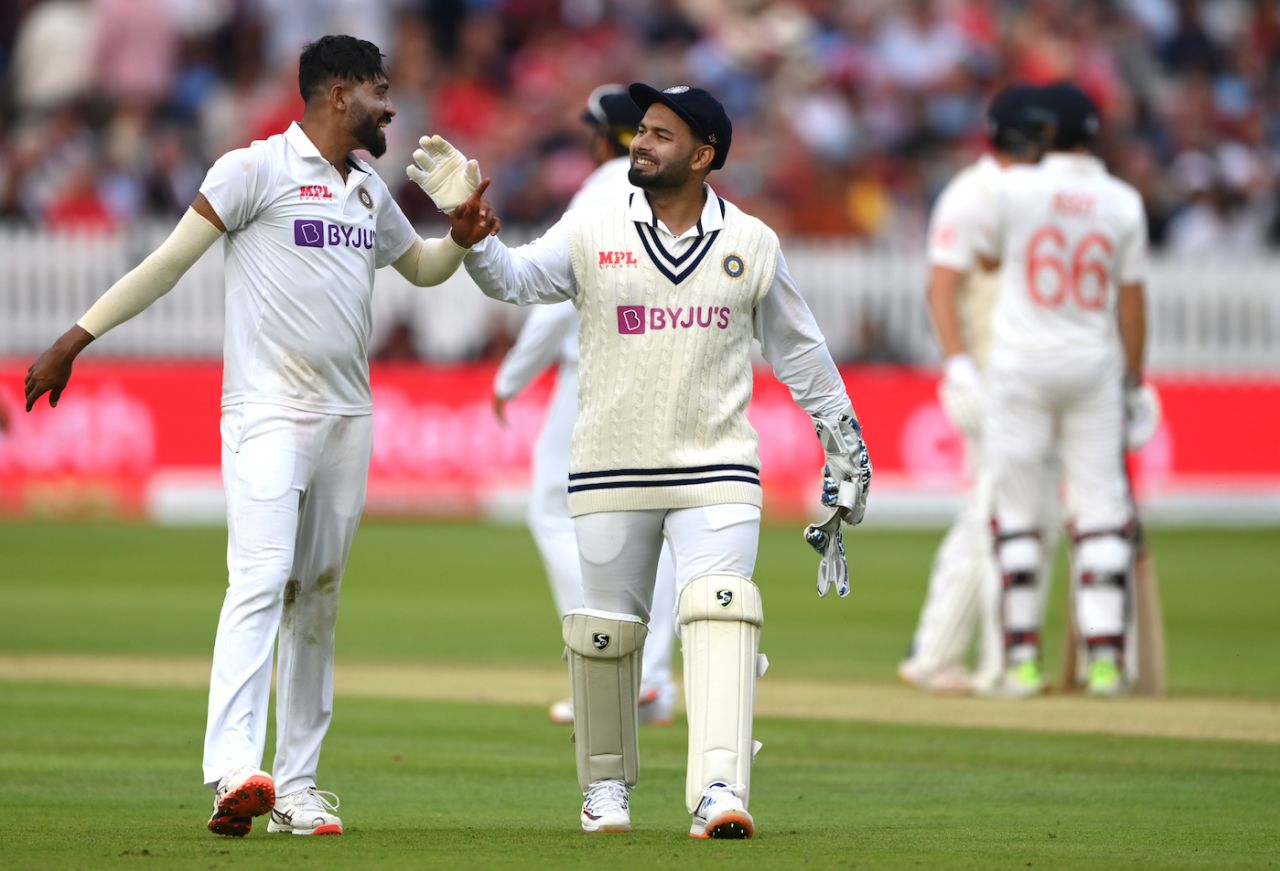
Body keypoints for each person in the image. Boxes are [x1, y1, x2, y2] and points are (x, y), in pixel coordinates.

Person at [24, 35, 496, 836]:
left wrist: (461, 235)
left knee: (316, 599)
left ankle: (299, 788)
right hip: (268, 411)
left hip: (349, 416)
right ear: (339, 93)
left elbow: (416, 270)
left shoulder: (367, 190)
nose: (392, 107)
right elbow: (168, 265)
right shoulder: (253, 170)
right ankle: (234, 769)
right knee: (262, 577)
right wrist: (76, 337)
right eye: (380, 91)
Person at [413, 84, 871, 839]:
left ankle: (720, 788)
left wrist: (842, 439)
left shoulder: (751, 243)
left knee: (722, 610)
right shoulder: (594, 226)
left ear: (703, 156)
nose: (642, 142)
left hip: (718, 467)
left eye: (661, 134)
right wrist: (471, 237)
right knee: (607, 635)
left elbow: (802, 352)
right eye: (642, 130)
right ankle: (605, 790)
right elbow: (518, 282)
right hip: (610, 467)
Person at [492, 84, 678, 727]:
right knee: (662, 520)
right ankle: (651, 676)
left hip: (594, 374)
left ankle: (607, 663)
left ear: (610, 137)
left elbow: (551, 299)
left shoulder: (601, 189)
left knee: (556, 509)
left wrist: (512, 377)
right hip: (666, 371)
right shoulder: (677, 190)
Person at [973, 81, 1150, 698]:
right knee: (1101, 512)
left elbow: (990, 259)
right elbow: (1131, 301)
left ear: (1046, 133)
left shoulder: (1014, 187)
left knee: (1019, 514)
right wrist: (1136, 380)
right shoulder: (1123, 201)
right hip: (1092, 363)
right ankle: (1106, 663)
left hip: (1022, 363)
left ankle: (1022, 663)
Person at [899, 85, 1055, 696]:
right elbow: (942, 286)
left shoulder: (1038, 193)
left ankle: (938, 652)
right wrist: (958, 364)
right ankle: (992, 661)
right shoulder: (973, 192)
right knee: (1001, 511)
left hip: (1027, 376)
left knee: (1001, 513)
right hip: (986, 377)